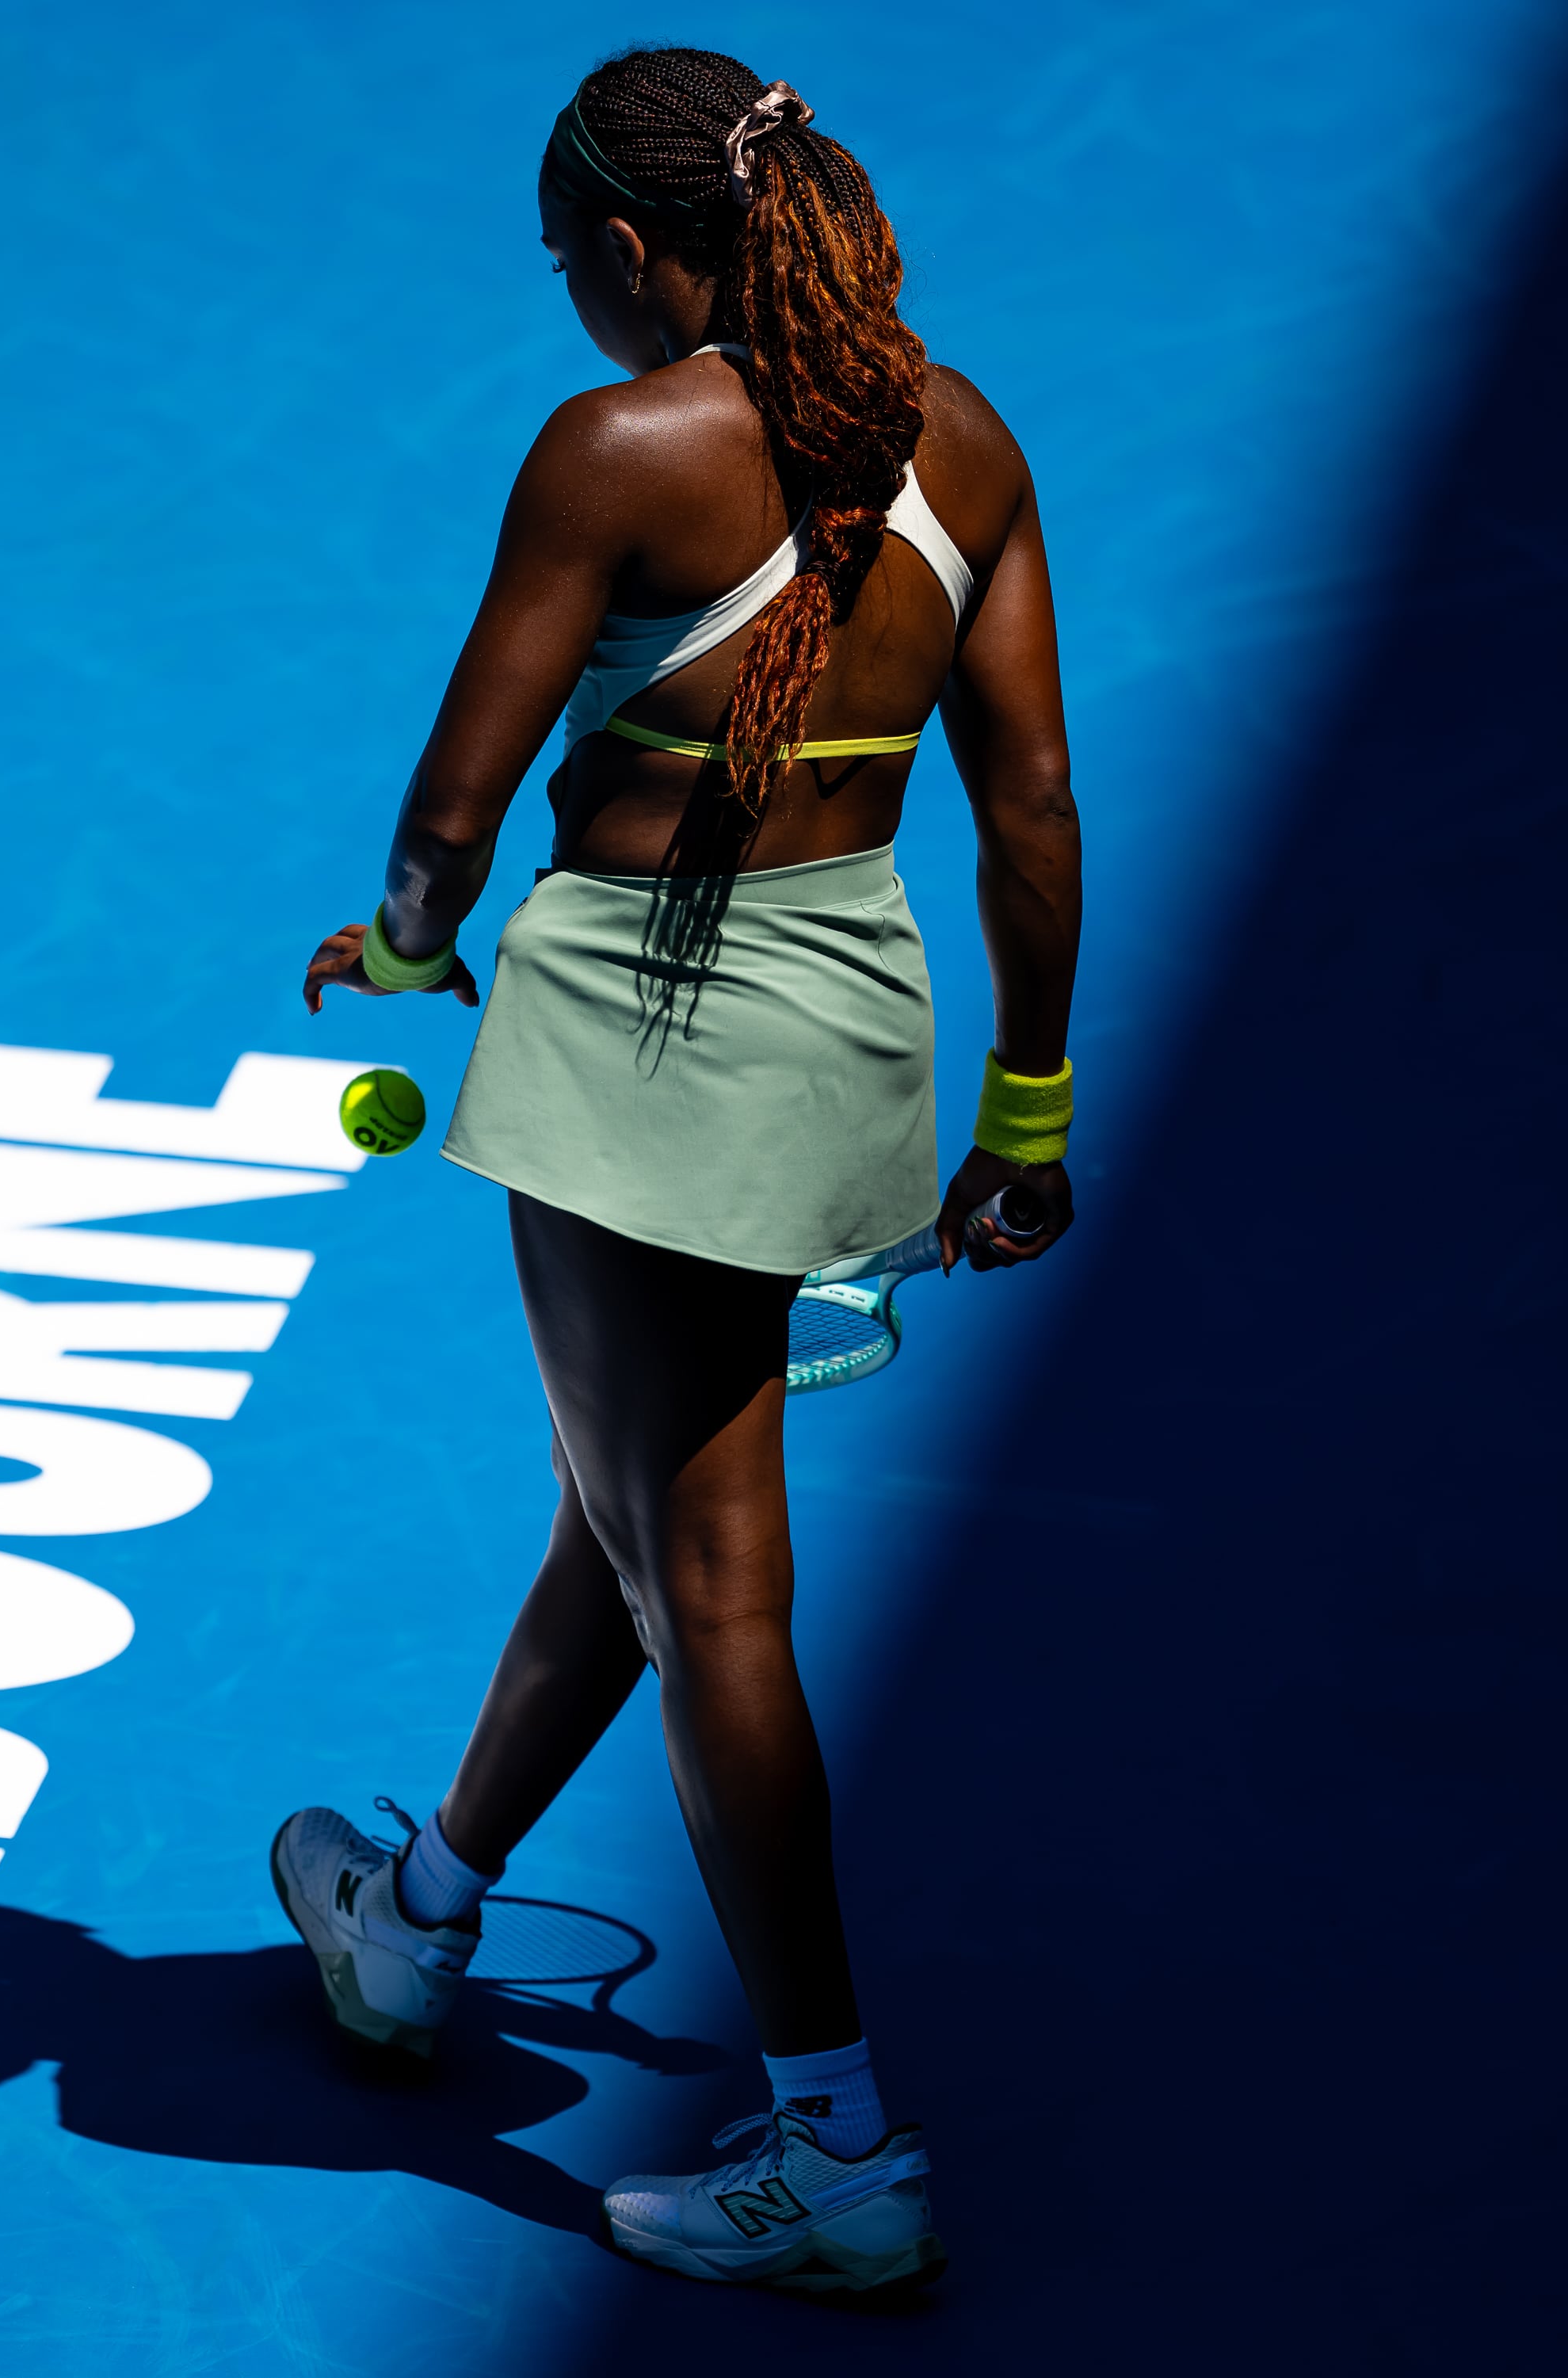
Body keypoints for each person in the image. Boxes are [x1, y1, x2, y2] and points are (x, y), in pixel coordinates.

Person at [273, 45, 1080, 2296]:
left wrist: (407, 951)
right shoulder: (970, 444)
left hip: (641, 1045)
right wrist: (1024, 1115)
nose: (569, 300)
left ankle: (830, 2137)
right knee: (629, 1511)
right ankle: (415, 1913)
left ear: (633, 251)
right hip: (851, 1031)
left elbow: (450, 818)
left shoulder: (616, 452)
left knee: (701, 1578)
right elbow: (1025, 807)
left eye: (566, 263)